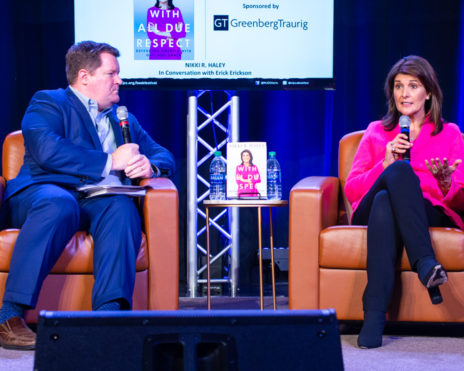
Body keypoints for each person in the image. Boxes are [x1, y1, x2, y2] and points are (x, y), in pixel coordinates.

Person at [0, 41, 175, 350]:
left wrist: (151, 164)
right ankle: (10, 316)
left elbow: (164, 154)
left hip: (97, 198)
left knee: (121, 207)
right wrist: (111, 162)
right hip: (43, 191)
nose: (119, 80)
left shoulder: (123, 118)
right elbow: (47, 149)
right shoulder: (48, 102)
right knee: (59, 204)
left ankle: (108, 319)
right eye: (112, 73)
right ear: (84, 77)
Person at [345, 55, 464, 349]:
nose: (404, 93)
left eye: (412, 85)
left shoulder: (449, 134)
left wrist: (446, 183)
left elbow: (459, 200)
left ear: (429, 93)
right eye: (398, 86)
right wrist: (384, 165)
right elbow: (351, 189)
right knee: (395, 174)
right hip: (369, 210)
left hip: (428, 210)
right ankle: (425, 263)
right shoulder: (376, 132)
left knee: (387, 201)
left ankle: (373, 316)